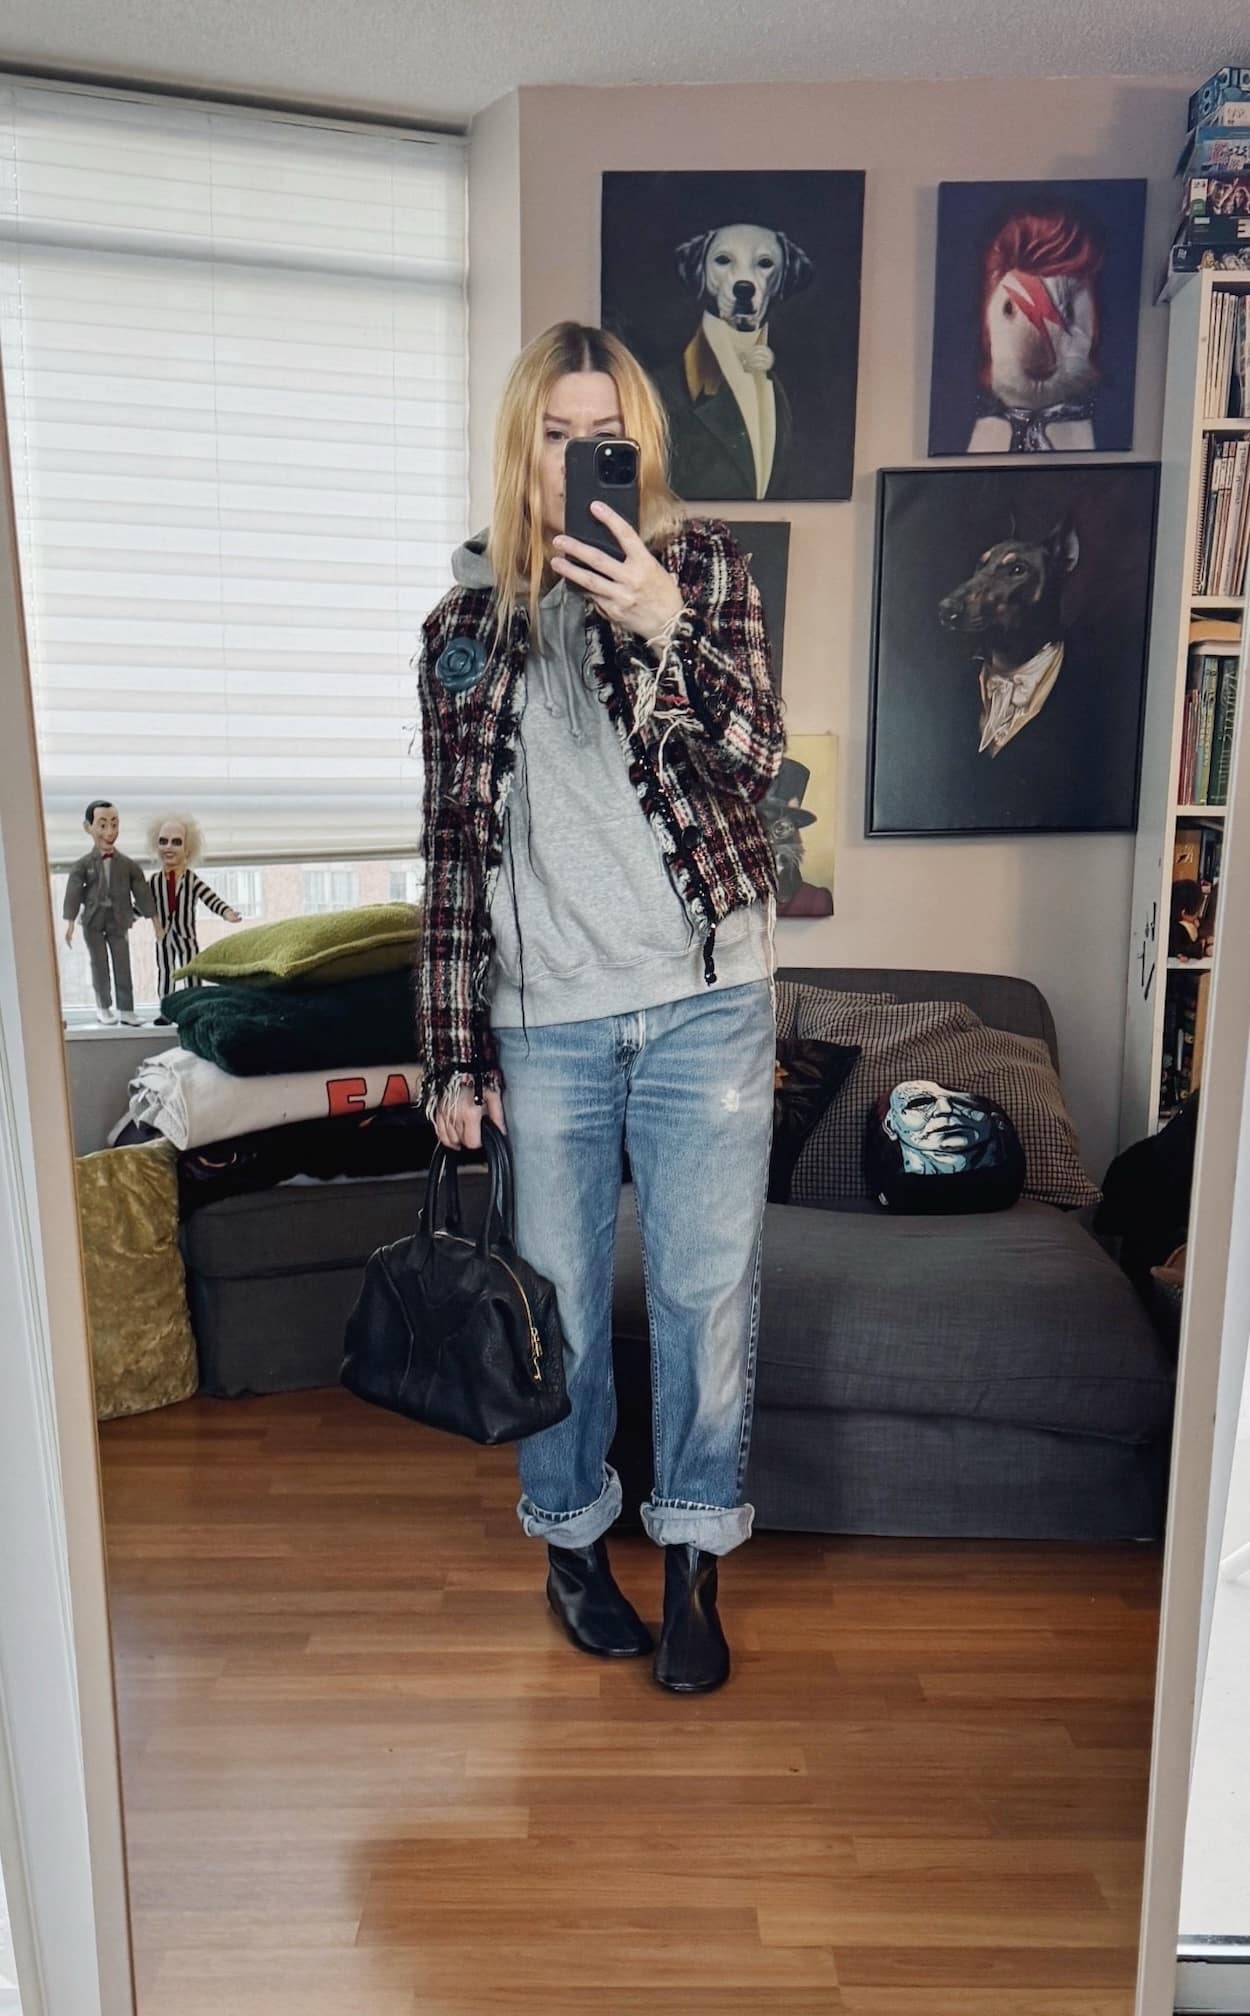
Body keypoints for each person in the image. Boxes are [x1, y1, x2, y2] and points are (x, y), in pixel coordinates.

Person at [414, 321, 785, 1694]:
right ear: (522, 449)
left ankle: (693, 1557)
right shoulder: (461, 633)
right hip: (544, 1019)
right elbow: (451, 853)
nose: (581, 459)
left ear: (640, 442)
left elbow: (753, 764)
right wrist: (450, 1055)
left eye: (605, 435)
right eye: (558, 437)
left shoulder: (702, 575)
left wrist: (661, 629)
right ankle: (574, 1548)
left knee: (703, 1299)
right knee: (554, 1310)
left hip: (705, 1002)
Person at [62, 798, 157, 1026]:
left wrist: (155, 921)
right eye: (102, 825)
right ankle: (103, 1007)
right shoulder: (83, 865)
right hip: (94, 920)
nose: (109, 831)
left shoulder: (127, 865)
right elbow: (74, 891)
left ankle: (126, 1009)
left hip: (118, 919)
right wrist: (70, 922)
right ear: (88, 827)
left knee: (122, 964)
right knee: (99, 965)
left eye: (114, 824)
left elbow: (142, 891)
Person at [145, 812, 242, 1023]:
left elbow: (210, 898)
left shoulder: (191, 880)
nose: (168, 847)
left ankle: (196, 1008)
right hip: (163, 938)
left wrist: (226, 912)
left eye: (176, 842)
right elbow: (141, 906)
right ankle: (166, 1010)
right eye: (163, 841)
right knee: (166, 973)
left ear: (187, 850)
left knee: (191, 972)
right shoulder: (154, 882)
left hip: (186, 937)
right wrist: (121, 918)